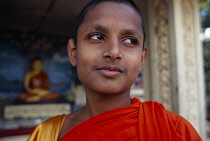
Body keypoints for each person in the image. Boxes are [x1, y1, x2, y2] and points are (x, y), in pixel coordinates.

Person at [28, 0, 202, 140]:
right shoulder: (47, 134)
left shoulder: (175, 130)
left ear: (142, 59)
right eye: (97, 37)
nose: (113, 52)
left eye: (129, 40)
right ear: (73, 52)